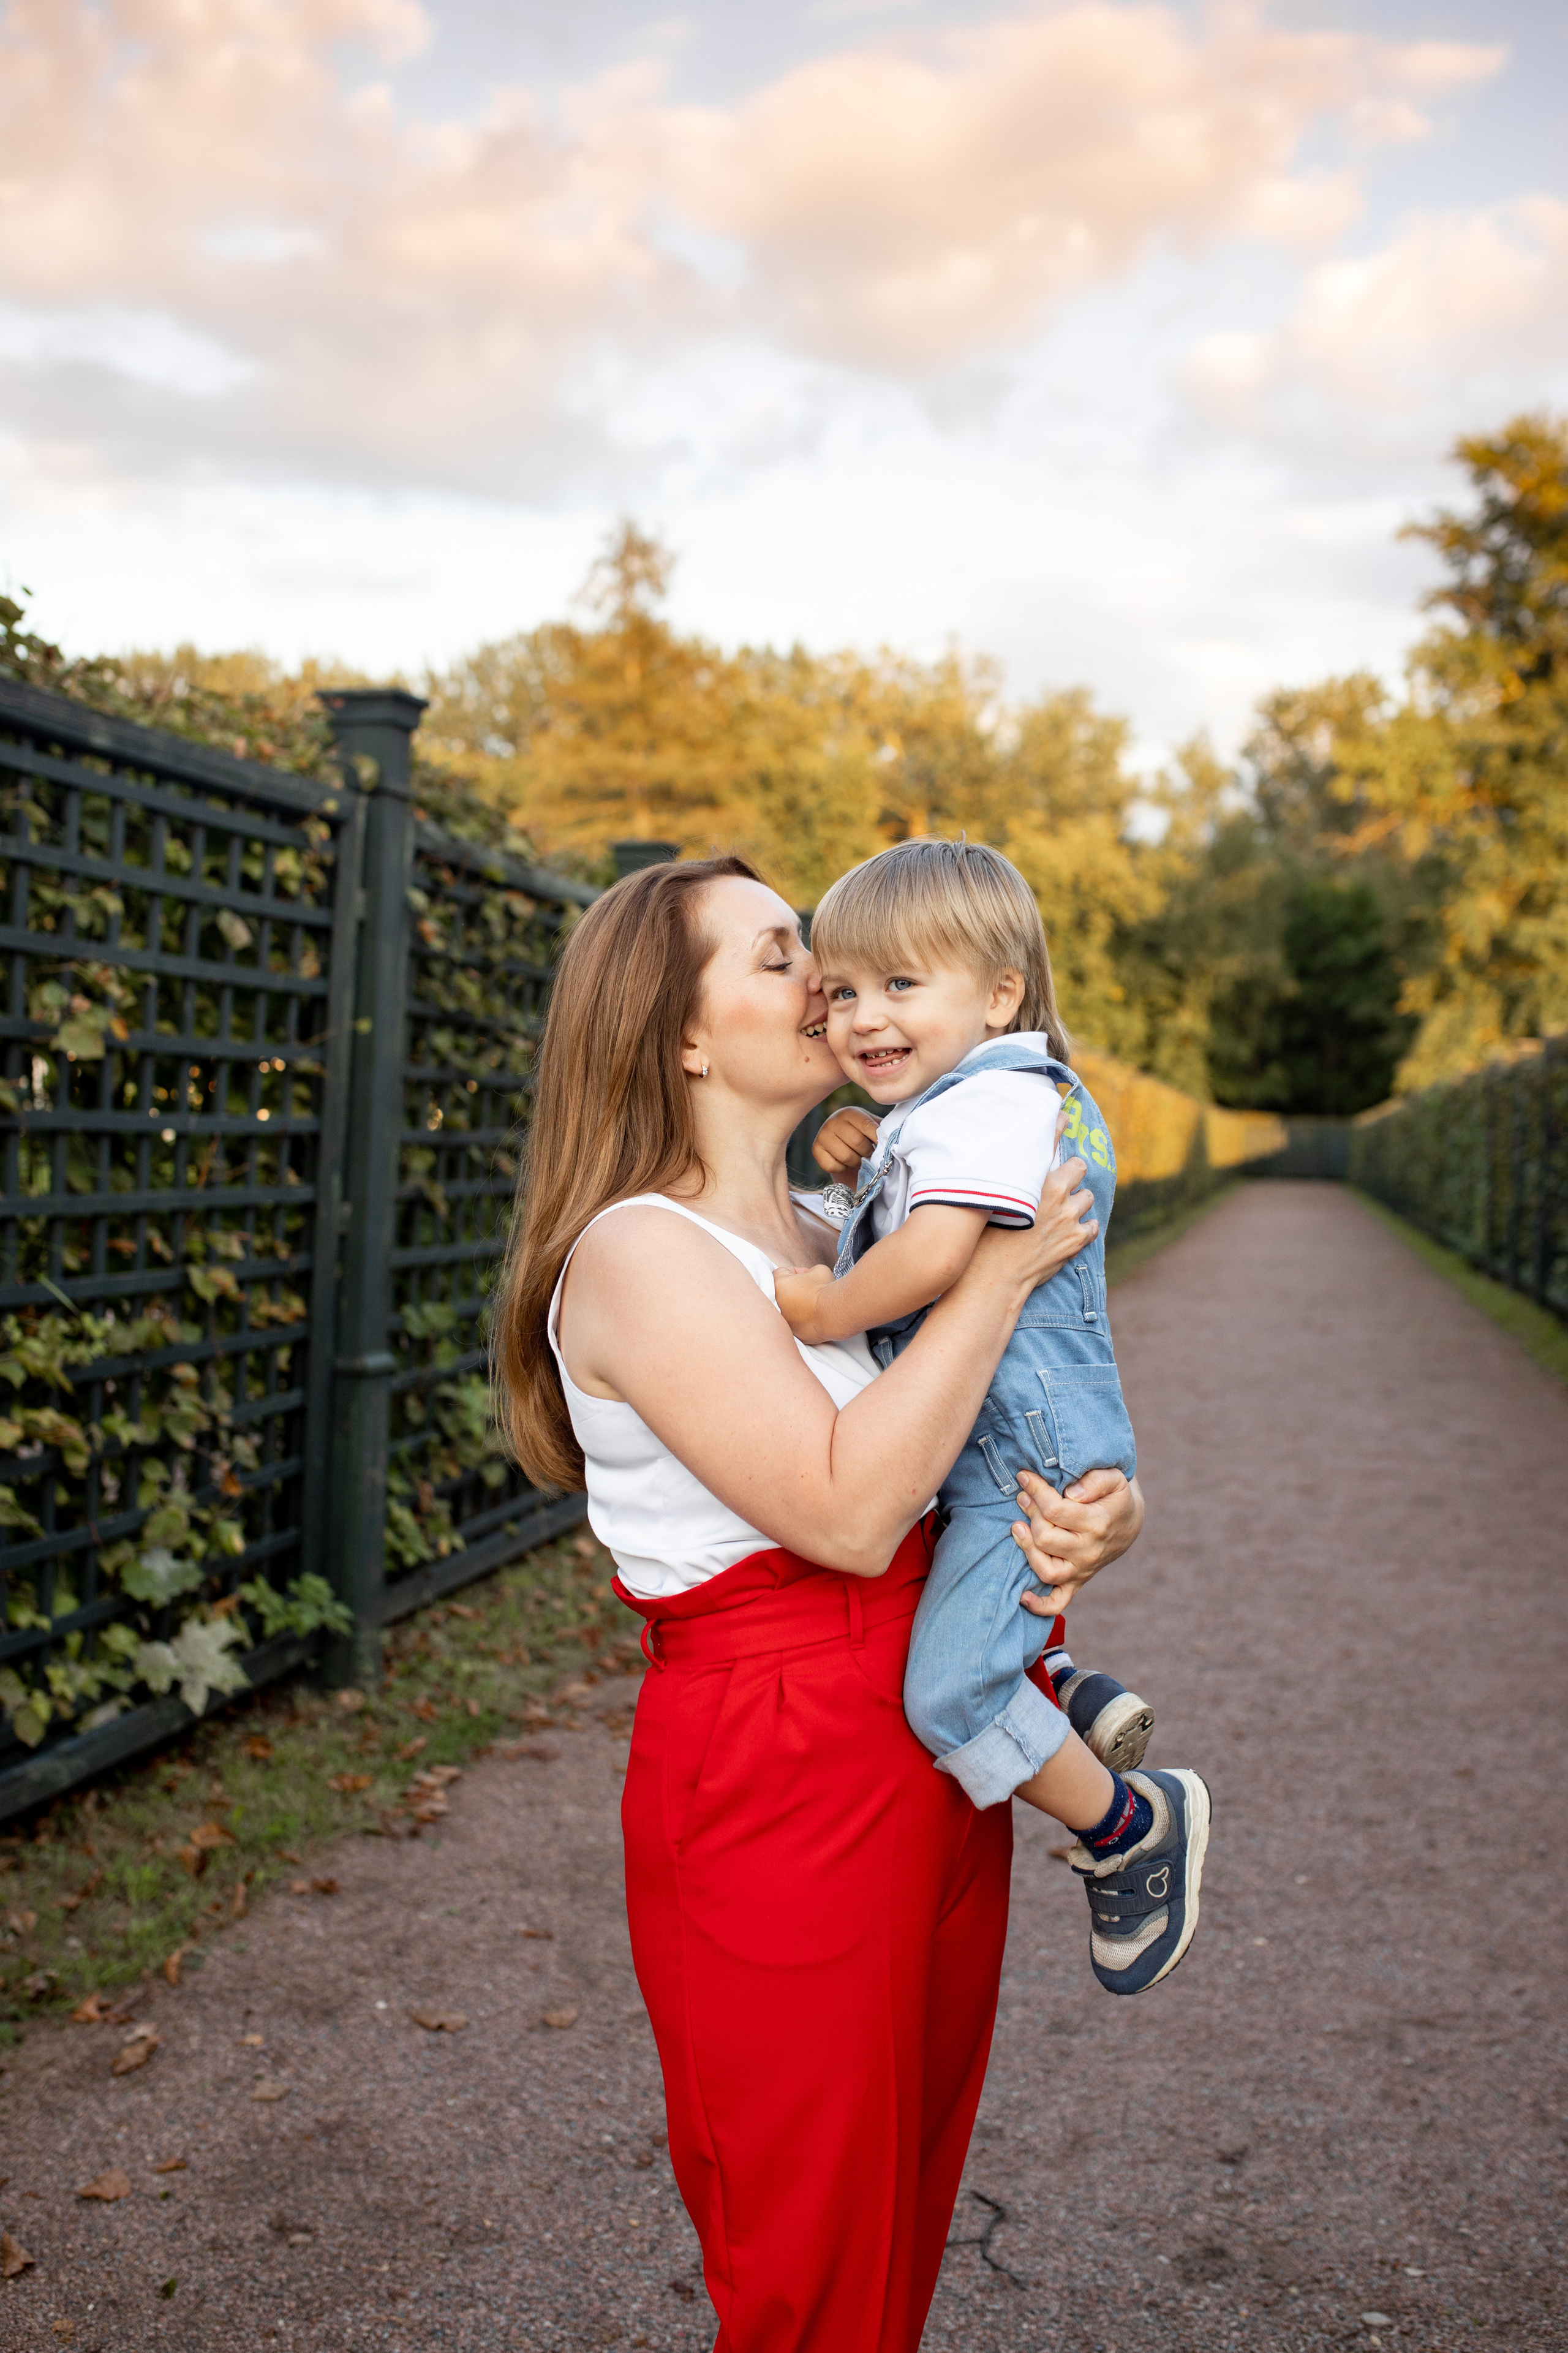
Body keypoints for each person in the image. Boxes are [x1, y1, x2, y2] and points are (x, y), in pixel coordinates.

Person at [493, 854, 1145, 2353]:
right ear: (682, 1036)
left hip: (923, 1735)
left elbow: (977, 1443)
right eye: (783, 953)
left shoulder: (831, 1225)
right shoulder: (641, 1251)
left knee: (897, 2225)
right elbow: (850, 1512)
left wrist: (1098, 1513)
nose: (827, 979)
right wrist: (997, 1269)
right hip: (776, 1758)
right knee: (805, 2268)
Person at [773, 837, 1208, 1998]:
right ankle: (1064, 1686)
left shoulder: (992, 1101)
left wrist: (821, 1306)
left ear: (1002, 992)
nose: (865, 1016)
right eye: (846, 989)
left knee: (950, 1694)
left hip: (1011, 1452)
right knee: (973, 1619)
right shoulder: (960, 1106)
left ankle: (1129, 1827)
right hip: (1005, 1442)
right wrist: (855, 1158)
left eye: (903, 985)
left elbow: (928, 1258)